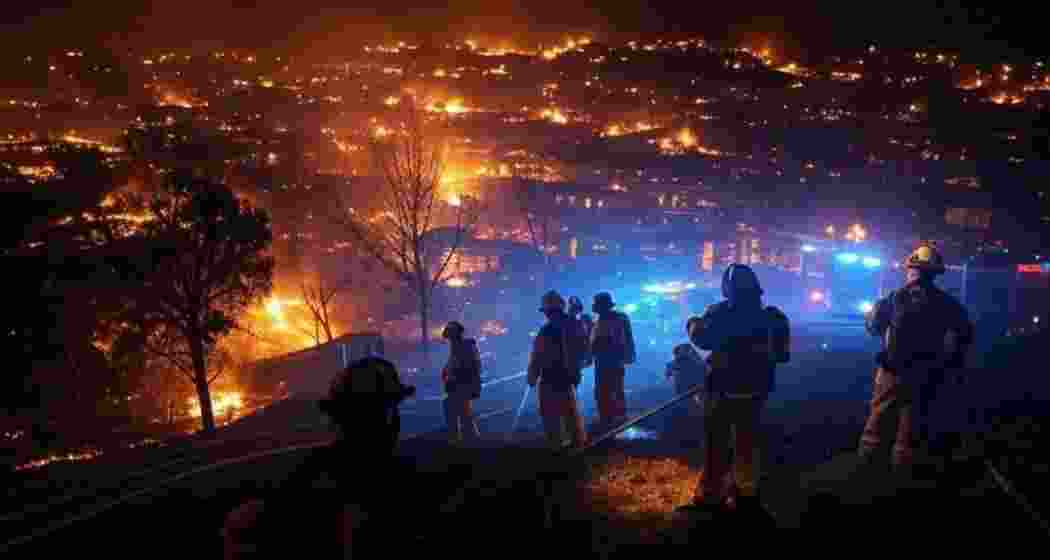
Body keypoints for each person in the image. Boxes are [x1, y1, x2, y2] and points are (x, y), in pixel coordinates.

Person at [222, 357, 415, 558]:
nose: (392, 419)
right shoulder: (411, 478)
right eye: (387, 411)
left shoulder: (312, 476)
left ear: (337, 420)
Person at [683, 263, 789, 520]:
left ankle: (711, 496)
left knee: (716, 445)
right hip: (755, 392)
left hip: (721, 390)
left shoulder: (718, 313)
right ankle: (746, 495)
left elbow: (702, 339)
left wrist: (692, 322)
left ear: (727, 289)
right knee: (748, 444)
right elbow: (782, 355)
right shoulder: (774, 318)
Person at [858, 244, 973, 475]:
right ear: (934, 274)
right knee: (910, 426)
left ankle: (866, 470)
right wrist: (950, 363)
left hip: (891, 372)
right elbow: (965, 334)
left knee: (878, 419)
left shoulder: (893, 298)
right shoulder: (947, 304)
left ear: (911, 270)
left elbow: (873, 327)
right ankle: (902, 475)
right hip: (925, 373)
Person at [527, 290, 588, 450]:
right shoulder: (573, 324)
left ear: (548, 311)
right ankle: (577, 445)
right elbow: (582, 349)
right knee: (570, 414)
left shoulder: (546, 330)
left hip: (551, 377)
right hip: (567, 376)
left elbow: (537, 355)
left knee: (551, 415)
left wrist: (532, 375)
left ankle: (557, 448)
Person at [589, 292, 636, 431]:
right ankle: (614, 417)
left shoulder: (611, 319)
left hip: (609, 359)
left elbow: (601, 341)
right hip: (611, 359)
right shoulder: (618, 318)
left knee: (607, 389)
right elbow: (627, 338)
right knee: (612, 388)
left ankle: (611, 419)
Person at [441, 321, 482, 445]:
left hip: (461, 385)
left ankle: (459, 439)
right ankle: (469, 438)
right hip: (459, 385)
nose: (449, 339)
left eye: (450, 335)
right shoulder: (459, 346)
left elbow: (471, 367)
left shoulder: (465, 346)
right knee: (463, 411)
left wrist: (452, 377)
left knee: (456, 409)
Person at [665, 343, 707, 434]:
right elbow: (668, 373)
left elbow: (668, 373)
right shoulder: (676, 363)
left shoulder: (691, 361)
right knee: (688, 406)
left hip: (689, 390)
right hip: (686, 390)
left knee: (690, 406)